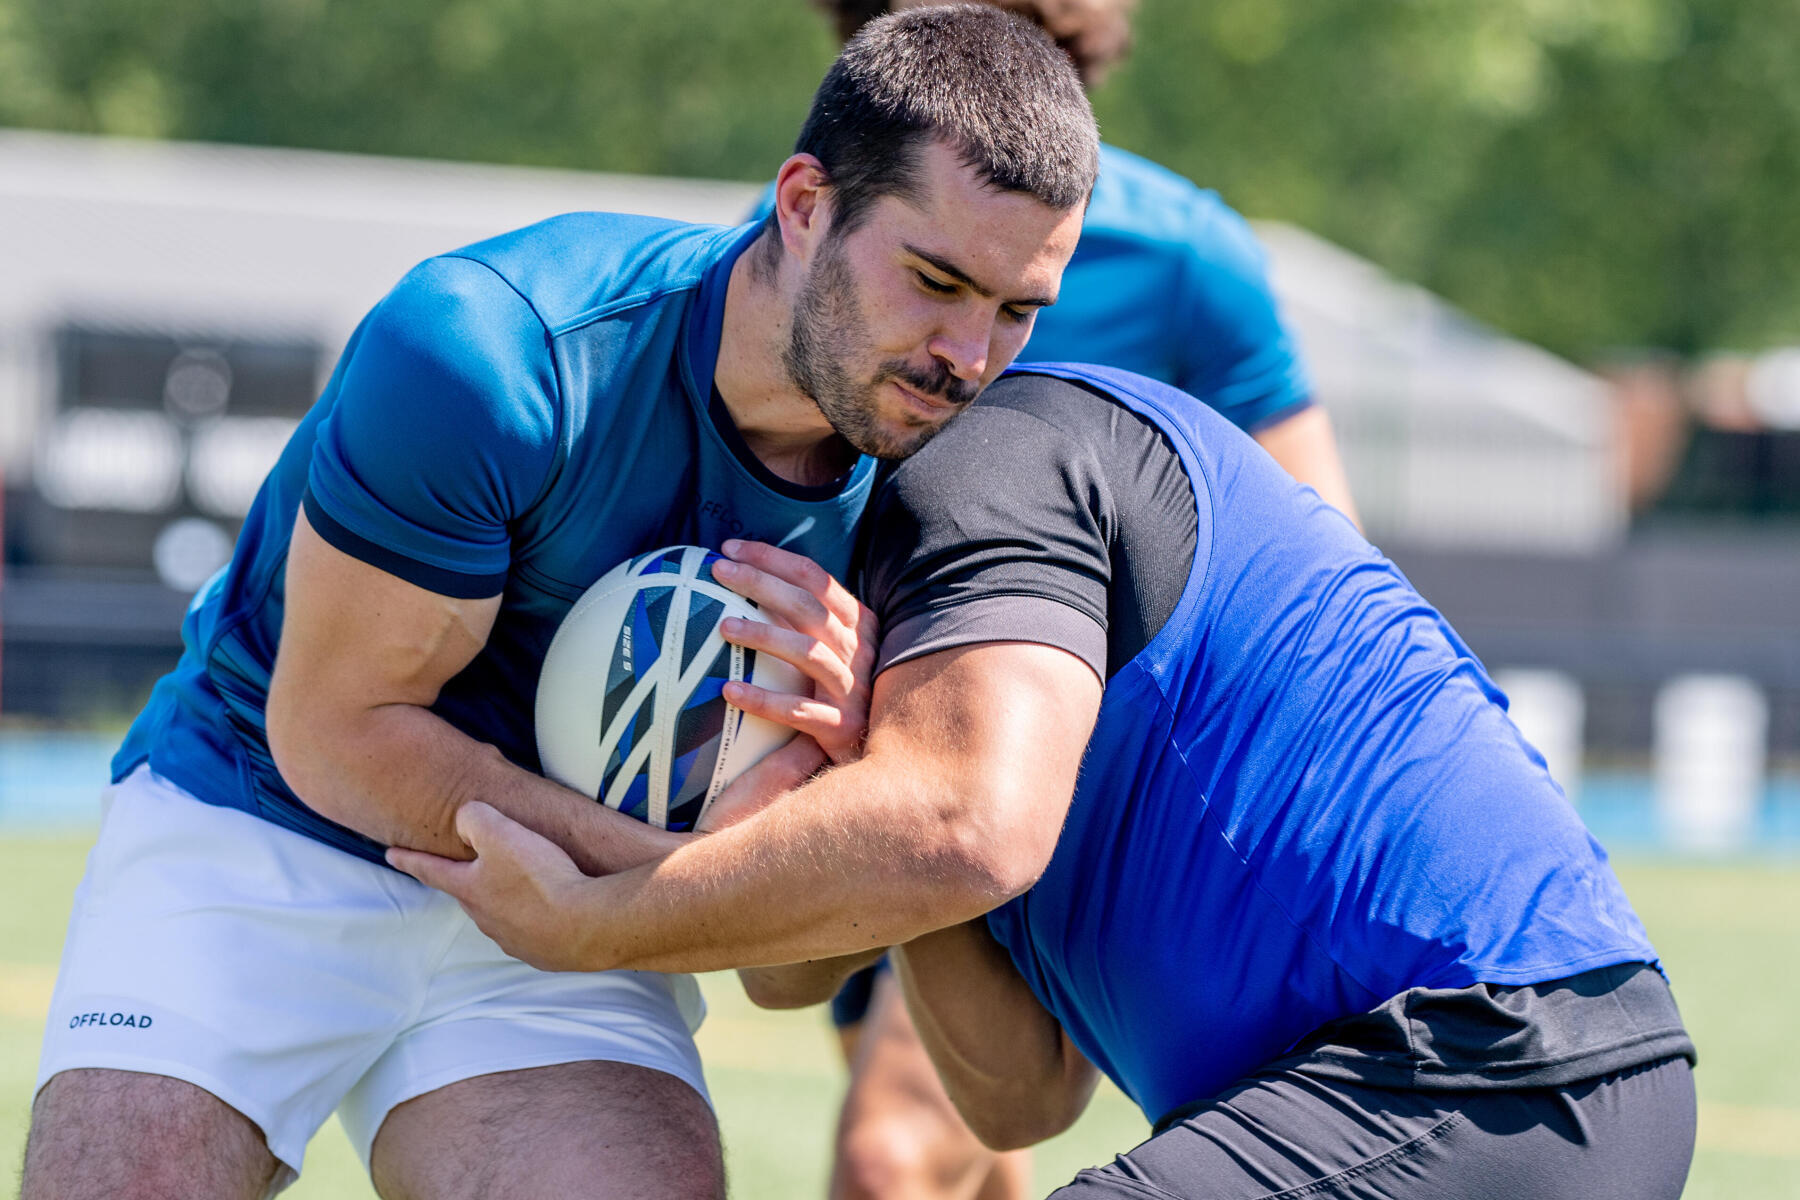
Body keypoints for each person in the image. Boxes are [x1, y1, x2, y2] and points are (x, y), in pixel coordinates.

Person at [21, 10, 1098, 1199]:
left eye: (1016, 310)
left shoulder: (954, 492)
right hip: (268, 818)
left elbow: (786, 979)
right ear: (804, 207)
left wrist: (840, 788)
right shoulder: (496, 349)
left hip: (573, 933)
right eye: (936, 280)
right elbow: (337, 734)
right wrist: (660, 883)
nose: (968, 355)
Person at [390, 361, 1698, 1198]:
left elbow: (925, 849)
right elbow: (1018, 1096)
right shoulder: (950, 759)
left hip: (1491, 1066)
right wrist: (861, 804)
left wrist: (592, 923)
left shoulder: (993, 471)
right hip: (1499, 1096)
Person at [762, 3, 1358, 1194]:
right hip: (879, 739)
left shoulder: (1187, 259)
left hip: (1081, 791)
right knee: (978, 1142)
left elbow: (1323, 564)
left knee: (896, 1149)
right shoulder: (832, 224)